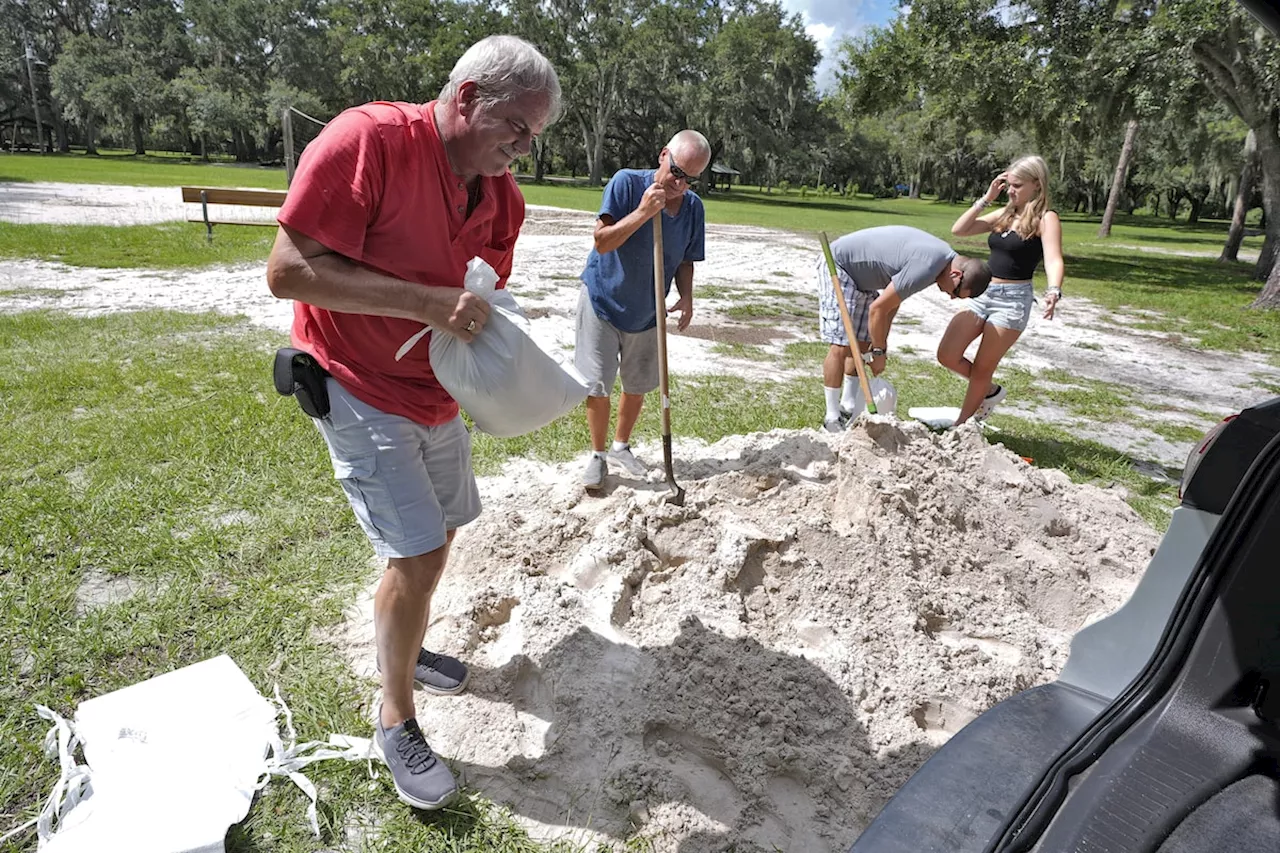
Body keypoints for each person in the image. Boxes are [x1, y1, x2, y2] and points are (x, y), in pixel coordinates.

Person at [264, 35, 560, 811]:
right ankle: (395, 717)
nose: (523, 151)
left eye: (534, 137)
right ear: (467, 100)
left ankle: (406, 640)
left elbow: (480, 287)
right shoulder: (369, 141)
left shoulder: (504, 196)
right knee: (417, 548)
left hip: (434, 391)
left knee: (440, 535)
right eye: (516, 129)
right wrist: (427, 302)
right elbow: (287, 270)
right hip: (357, 380)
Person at [575, 130, 711, 491]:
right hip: (602, 298)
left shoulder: (693, 207)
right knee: (598, 384)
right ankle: (598, 455)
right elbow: (602, 243)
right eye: (677, 173)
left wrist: (687, 296)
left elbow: (685, 260)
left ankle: (621, 446)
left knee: (637, 384)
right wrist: (642, 212)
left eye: (690, 179)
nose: (680, 185)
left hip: (649, 308)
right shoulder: (625, 183)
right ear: (663, 155)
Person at [817, 225, 992, 431]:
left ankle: (848, 406)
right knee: (841, 345)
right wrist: (879, 351)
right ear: (955, 275)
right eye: (954, 292)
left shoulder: (939, 263)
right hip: (839, 266)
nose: (951, 296)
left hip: (863, 279)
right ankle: (831, 418)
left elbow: (891, 304)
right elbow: (878, 309)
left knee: (863, 343)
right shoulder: (928, 266)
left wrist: (878, 345)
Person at [943, 155, 1064, 425]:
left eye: (1017, 185)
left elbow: (1053, 258)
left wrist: (1054, 290)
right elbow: (959, 230)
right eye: (1008, 184)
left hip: (1013, 301)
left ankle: (961, 428)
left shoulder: (1046, 218)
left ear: (1037, 184)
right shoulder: (1005, 214)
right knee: (947, 354)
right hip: (983, 293)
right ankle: (990, 391)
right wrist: (987, 198)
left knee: (983, 368)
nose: (1011, 190)